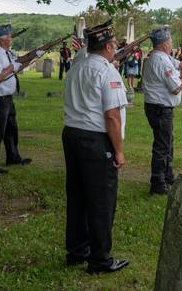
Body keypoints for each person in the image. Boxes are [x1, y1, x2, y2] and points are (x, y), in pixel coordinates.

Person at [61, 22, 129, 274]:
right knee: (101, 200)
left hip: (72, 134)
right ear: (110, 46)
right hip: (95, 139)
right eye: (114, 45)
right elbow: (112, 115)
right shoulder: (107, 71)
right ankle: (100, 259)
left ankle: (77, 250)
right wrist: (119, 151)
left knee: (78, 196)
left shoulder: (77, 66)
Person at [141, 27, 182, 195]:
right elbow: (176, 88)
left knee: (167, 142)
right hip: (161, 109)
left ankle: (167, 176)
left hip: (155, 107)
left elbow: (177, 64)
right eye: (170, 42)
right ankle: (158, 183)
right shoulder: (162, 61)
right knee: (162, 146)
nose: (172, 44)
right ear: (165, 44)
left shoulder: (157, 57)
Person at [0, 25, 32, 175]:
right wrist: (11, 68)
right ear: (2, 40)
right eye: (9, 37)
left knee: (11, 130)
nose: (11, 39)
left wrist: (35, 55)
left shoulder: (5, 52)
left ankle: (13, 157)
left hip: (6, 99)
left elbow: (17, 65)